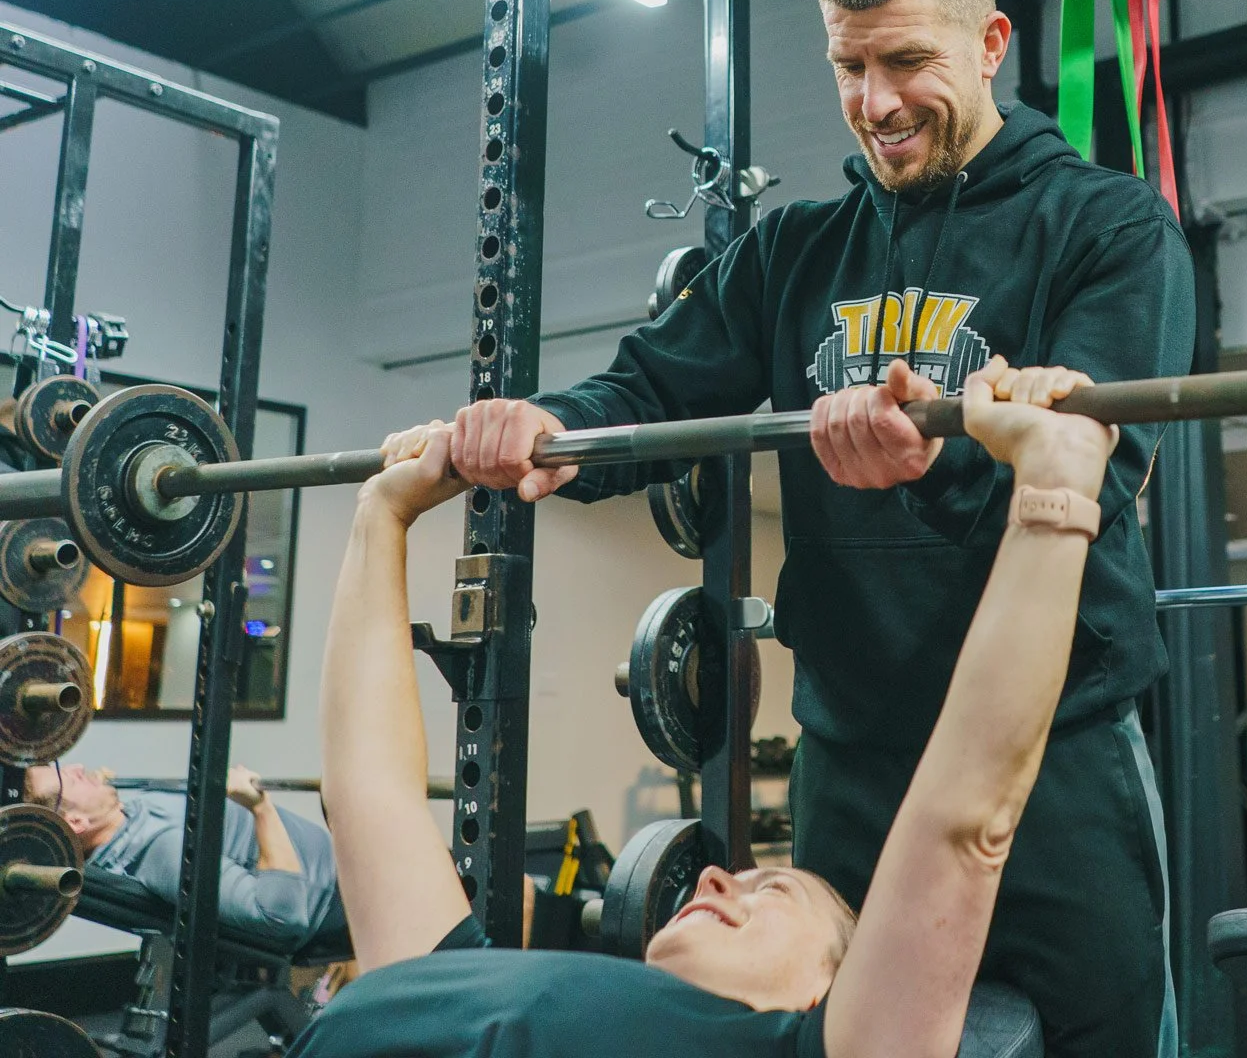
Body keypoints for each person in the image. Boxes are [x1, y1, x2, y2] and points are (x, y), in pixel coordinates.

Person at [448, 0, 1193, 1058]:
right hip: (853, 760)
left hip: (1054, 760)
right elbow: (651, 393)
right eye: (849, 65)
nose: (875, 102)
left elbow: (1089, 471)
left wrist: (936, 466)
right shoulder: (795, 252)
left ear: (993, 45)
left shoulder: (1107, 228)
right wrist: (548, 432)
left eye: (907, 62)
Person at [290, 358, 1113, 1058]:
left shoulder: (835, 1044)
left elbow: (964, 822)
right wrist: (381, 514)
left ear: (835, 991)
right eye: (766, 886)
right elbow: (369, 794)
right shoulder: (445, 970)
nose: (719, 877)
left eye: (767, 895)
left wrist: (1054, 490)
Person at [25, 761, 345, 952]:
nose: (80, 768)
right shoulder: (161, 851)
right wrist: (260, 808)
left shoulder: (130, 817)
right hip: (339, 900)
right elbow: (282, 916)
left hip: (345, 865)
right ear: (76, 823)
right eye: (70, 778)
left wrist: (101, 790)